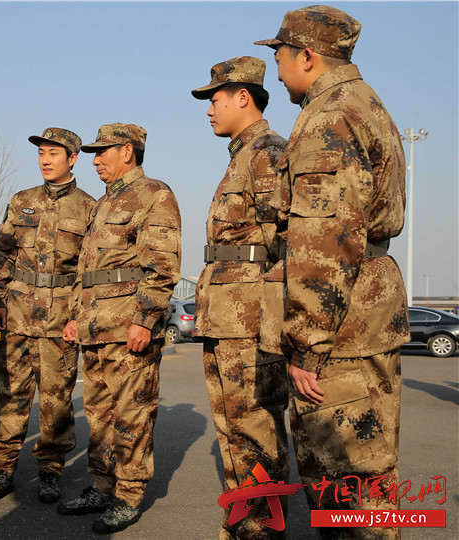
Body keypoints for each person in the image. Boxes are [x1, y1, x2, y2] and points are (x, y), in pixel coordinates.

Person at [255, 6, 409, 538]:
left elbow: (326, 241)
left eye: (277, 55)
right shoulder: (367, 104)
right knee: (372, 475)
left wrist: (307, 345)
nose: (275, 69)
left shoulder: (330, 115)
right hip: (366, 310)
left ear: (307, 56)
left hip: (339, 327)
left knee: (346, 489)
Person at [61, 123, 181, 534]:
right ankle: (101, 484)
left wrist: (146, 320)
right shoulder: (101, 205)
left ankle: (128, 495)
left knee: (132, 415)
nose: (95, 160)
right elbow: (86, 270)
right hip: (95, 330)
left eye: (103, 152)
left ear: (127, 151)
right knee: (98, 416)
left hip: (128, 330)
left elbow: (162, 266)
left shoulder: (154, 195)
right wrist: (76, 316)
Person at [190, 57, 290, 539]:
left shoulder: (269, 153)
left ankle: (261, 530)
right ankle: (246, 523)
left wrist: (274, 324)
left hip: (249, 321)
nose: (209, 109)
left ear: (243, 96)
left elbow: (287, 245)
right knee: (234, 428)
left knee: (255, 427)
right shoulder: (242, 156)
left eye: (215, 99)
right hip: (225, 318)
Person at [0, 128, 95, 504]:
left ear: (72, 158)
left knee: (56, 400)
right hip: (17, 314)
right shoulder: (21, 201)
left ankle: (50, 471)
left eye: (54, 154)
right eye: (42, 153)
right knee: (10, 394)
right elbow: (2, 255)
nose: (46, 160)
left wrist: (78, 316)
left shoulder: (90, 208)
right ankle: (3, 469)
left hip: (60, 319)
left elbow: (87, 272)